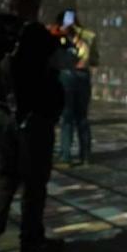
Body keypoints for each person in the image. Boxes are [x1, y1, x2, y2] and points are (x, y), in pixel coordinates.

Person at [0, 0, 65, 252]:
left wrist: (4, 103)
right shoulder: (37, 34)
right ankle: (31, 239)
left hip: (3, 115)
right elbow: (62, 64)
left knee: (6, 176)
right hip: (35, 119)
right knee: (35, 180)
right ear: (33, 9)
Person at [53, 9, 98, 164]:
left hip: (67, 76)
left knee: (67, 117)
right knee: (81, 117)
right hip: (82, 76)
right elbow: (94, 60)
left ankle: (66, 154)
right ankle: (85, 155)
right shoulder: (89, 36)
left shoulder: (58, 36)